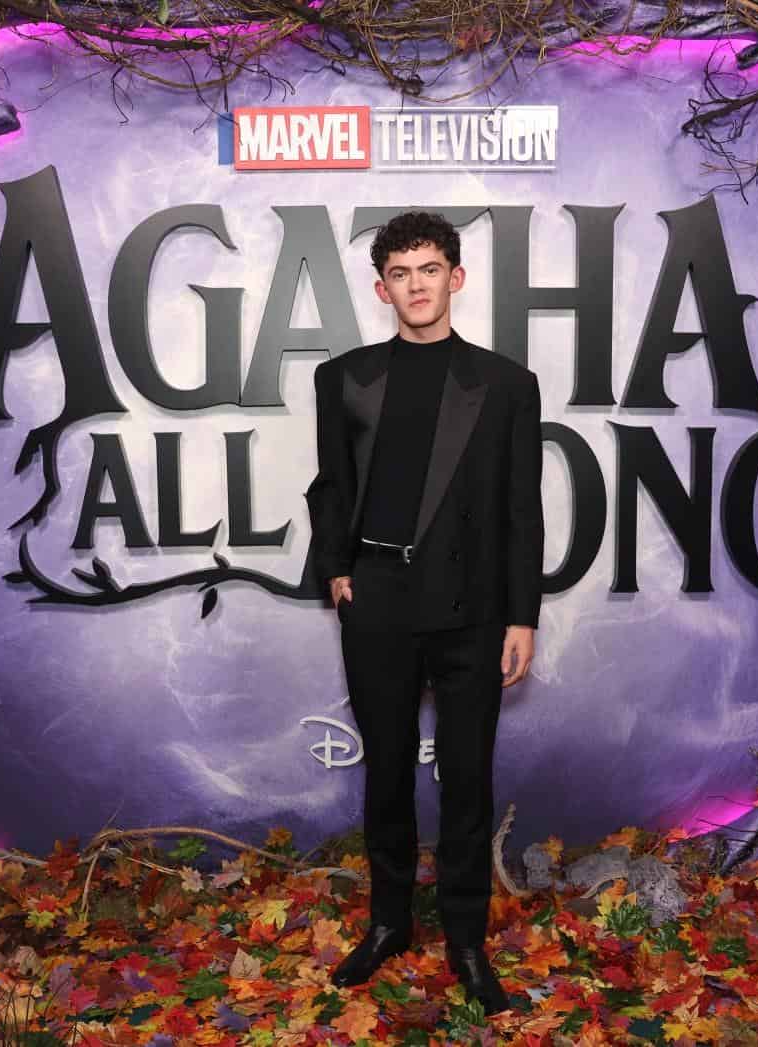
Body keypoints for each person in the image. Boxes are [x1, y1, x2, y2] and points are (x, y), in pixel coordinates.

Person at [303, 210, 544, 1016]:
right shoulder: (343, 378)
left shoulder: (506, 385)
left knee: (468, 778)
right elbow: (330, 485)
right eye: (401, 273)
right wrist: (337, 569)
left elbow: (522, 510)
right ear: (383, 289)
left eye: (430, 269)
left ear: (456, 278)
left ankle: (467, 940)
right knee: (386, 773)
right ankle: (389, 923)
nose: (416, 285)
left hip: (473, 609)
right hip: (378, 599)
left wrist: (522, 615)